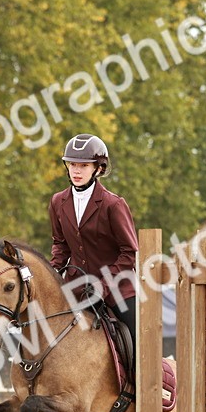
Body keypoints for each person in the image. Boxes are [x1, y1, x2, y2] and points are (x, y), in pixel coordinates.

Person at [48, 133, 138, 390]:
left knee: (137, 349)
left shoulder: (113, 204)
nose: (76, 170)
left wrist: (103, 283)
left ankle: (144, 397)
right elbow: (61, 244)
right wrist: (54, 272)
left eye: (84, 165)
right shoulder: (57, 202)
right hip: (76, 287)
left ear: (98, 168)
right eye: (72, 164)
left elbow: (129, 252)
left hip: (118, 290)